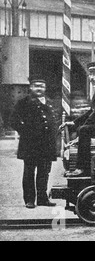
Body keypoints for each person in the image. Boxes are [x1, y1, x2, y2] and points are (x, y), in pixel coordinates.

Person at [10, 77, 57, 208]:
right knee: (29, 172)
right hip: (30, 144)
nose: (39, 88)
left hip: (46, 144)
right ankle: (29, 200)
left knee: (44, 172)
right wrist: (25, 132)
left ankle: (42, 199)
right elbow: (13, 120)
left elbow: (53, 121)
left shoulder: (49, 102)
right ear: (30, 87)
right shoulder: (23, 103)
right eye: (36, 86)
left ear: (45, 88)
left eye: (41, 86)